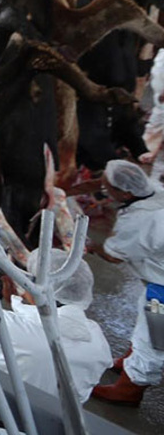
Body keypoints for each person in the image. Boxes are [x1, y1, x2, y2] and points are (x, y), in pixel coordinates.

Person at [0, 251, 110, 402]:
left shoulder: (3, 328)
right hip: (55, 423)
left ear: (37, 288)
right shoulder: (97, 341)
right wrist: (19, 306)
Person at [88, 160, 164, 404]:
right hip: (157, 279)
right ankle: (130, 362)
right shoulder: (154, 190)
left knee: (153, 339)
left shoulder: (140, 223)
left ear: (126, 192)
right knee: (145, 320)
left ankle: (130, 390)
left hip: (162, 291)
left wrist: (90, 246)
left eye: (107, 187)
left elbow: (113, 253)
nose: (103, 189)